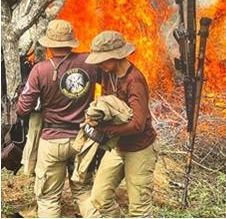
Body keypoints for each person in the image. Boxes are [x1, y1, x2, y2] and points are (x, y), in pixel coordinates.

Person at [16, 19, 98, 217]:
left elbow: (22, 109)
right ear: (71, 42)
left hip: (52, 140)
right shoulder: (90, 63)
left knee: (48, 197)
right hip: (83, 138)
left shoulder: (40, 70)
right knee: (84, 191)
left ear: (49, 45)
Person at [82, 30, 158, 218]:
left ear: (118, 56)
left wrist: (103, 129)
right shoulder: (108, 73)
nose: (100, 64)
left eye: (104, 59)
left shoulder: (135, 80)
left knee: (139, 210)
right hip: (118, 146)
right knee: (100, 198)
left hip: (140, 149)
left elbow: (138, 125)